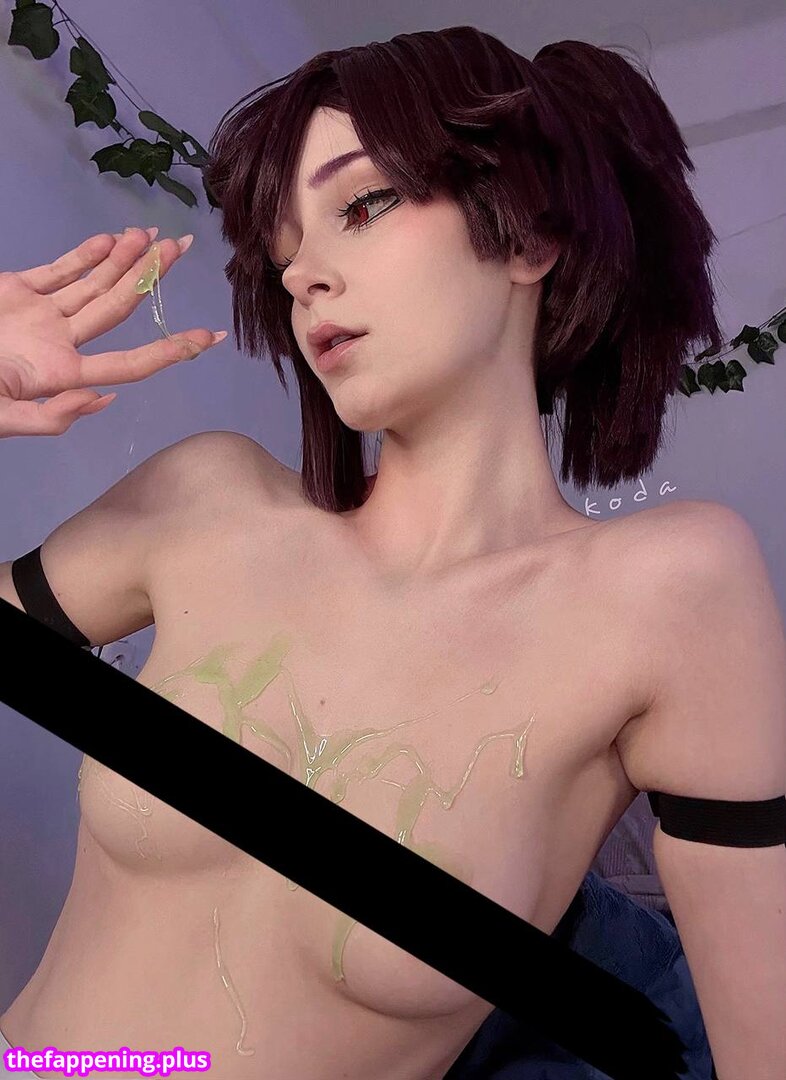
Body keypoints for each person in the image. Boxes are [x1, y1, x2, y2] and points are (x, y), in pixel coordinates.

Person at [1, 25, 784, 1080]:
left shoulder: (669, 592)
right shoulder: (205, 501)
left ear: (528, 234)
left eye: (363, 204)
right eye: (282, 253)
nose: (305, 276)